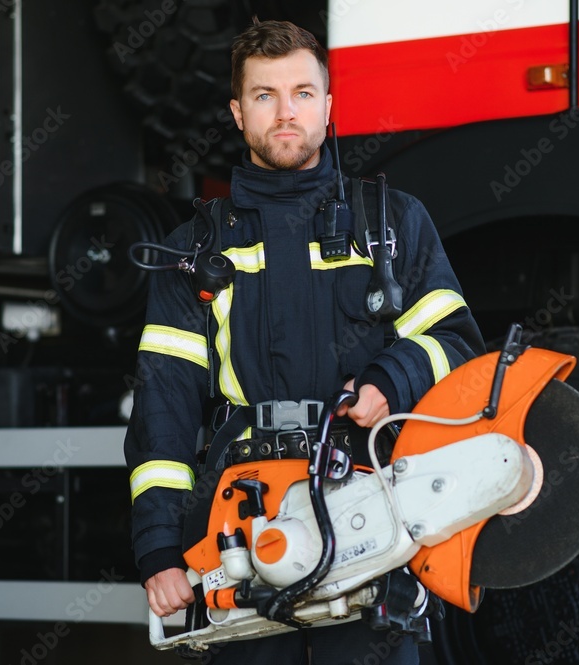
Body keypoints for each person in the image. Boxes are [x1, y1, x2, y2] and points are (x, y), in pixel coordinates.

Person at [124, 18, 486, 664]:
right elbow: (164, 409)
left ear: (328, 104)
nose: (286, 112)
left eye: (302, 93)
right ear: (238, 112)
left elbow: (455, 342)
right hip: (242, 529)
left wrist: (390, 381)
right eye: (265, 96)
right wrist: (159, 550)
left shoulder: (393, 223)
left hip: (373, 517)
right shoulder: (194, 250)